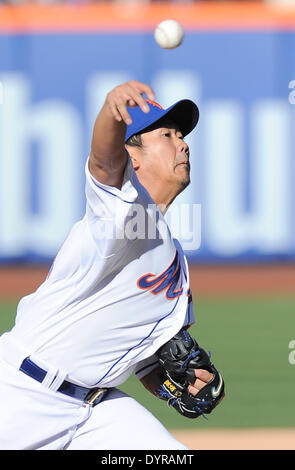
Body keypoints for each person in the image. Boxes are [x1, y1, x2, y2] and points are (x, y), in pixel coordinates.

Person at [0, 80, 223, 450]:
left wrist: (180, 381)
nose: (183, 143)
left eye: (181, 135)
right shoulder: (121, 210)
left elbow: (147, 363)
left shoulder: (175, 259)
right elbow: (104, 161)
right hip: (21, 395)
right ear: (133, 158)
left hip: (97, 410)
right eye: (167, 135)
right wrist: (111, 110)